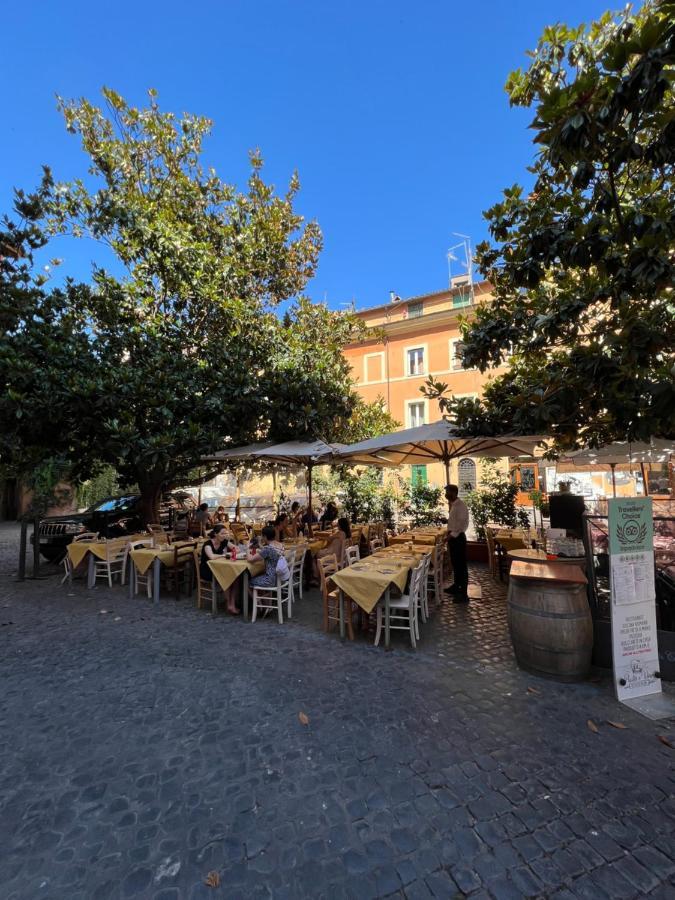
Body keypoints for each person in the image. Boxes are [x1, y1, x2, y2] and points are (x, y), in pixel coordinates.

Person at [444, 484, 470, 602]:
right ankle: (456, 586)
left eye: (447, 491)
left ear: (454, 492)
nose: (446, 494)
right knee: (455, 564)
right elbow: (455, 521)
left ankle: (463, 594)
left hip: (458, 539)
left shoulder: (460, 506)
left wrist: (450, 536)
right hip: (454, 539)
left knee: (461, 566)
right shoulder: (455, 505)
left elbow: (461, 525)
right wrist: (446, 521)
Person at [248, 525, 287, 594]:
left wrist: (247, 548)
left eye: (262, 536)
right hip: (280, 578)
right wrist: (260, 545)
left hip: (270, 580)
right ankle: (265, 603)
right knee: (260, 575)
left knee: (247, 582)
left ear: (265, 537)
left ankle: (258, 603)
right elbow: (271, 551)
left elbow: (250, 559)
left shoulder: (267, 549)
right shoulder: (280, 545)